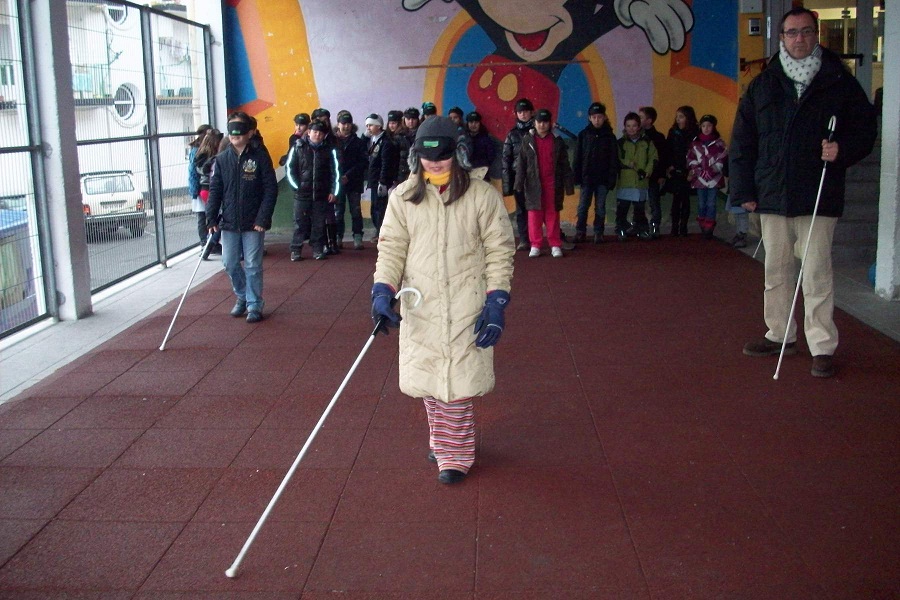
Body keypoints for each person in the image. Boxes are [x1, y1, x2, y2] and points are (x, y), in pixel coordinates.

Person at [730, 6, 877, 378]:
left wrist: (842, 149)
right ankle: (779, 334)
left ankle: (822, 345)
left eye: (806, 31)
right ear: (781, 38)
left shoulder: (839, 82)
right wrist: (743, 188)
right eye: (792, 32)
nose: (799, 38)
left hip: (818, 194)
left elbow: (865, 130)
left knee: (816, 274)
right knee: (776, 271)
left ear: (817, 34)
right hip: (772, 193)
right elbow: (743, 141)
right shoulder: (762, 84)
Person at [371, 115, 515, 484]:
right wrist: (383, 290)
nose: (434, 163)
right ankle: (443, 439)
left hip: (467, 303)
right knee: (431, 381)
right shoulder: (403, 197)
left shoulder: (482, 196)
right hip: (422, 304)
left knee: (456, 384)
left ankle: (455, 453)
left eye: (443, 155)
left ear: (459, 152)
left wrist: (496, 302)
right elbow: (391, 248)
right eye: (427, 156)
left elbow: (500, 250)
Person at [206, 114, 277, 323]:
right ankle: (243, 295)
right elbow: (215, 190)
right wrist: (211, 218)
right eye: (232, 132)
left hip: (253, 222)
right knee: (229, 262)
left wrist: (263, 218)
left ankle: (254, 304)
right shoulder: (221, 159)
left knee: (253, 264)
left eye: (239, 132)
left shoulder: (260, 157)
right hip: (229, 222)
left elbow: (270, 189)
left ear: (249, 133)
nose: (235, 136)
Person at [514, 108, 574, 258]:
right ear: (534, 123)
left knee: (552, 215)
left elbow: (565, 164)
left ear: (550, 123)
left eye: (545, 122)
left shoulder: (557, 141)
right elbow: (521, 164)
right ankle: (535, 245)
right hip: (533, 184)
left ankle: (555, 244)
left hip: (553, 184)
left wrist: (569, 185)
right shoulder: (527, 140)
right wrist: (518, 184)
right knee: (534, 216)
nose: (542, 125)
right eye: (539, 122)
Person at [286, 120, 340, 261]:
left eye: (321, 133)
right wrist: (296, 187)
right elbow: (290, 168)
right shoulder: (298, 147)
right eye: (315, 132)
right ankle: (296, 250)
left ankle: (317, 249)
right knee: (300, 224)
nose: (318, 135)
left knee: (319, 224)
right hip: (301, 195)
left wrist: (333, 191)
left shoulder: (329, 150)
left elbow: (335, 173)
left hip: (321, 194)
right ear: (309, 132)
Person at [572, 101, 618, 244]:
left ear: (604, 117)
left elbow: (613, 160)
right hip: (587, 178)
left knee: (600, 207)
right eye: (594, 117)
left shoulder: (610, 137)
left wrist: (612, 178)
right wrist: (576, 176)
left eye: (599, 117)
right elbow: (577, 157)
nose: (597, 120)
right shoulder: (583, 135)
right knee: (583, 207)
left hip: (603, 179)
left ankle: (598, 232)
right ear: (589, 118)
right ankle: (580, 232)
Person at [615, 112, 658, 241]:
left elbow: (653, 157)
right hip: (625, 181)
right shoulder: (620, 143)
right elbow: (616, 159)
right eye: (628, 126)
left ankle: (642, 229)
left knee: (640, 208)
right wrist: (627, 163)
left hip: (641, 181)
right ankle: (621, 229)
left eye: (634, 125)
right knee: (623, 208)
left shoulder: (647, 142)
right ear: (624, 127)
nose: (631, 129)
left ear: (639, 126)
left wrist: (648, 171)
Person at [687, 113, 727, 239]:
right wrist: (699, 171)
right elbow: (690, 158)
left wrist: (711, 171)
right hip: (700, 180)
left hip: (714, 180)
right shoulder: (695, 143)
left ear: (713, 127)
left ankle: (709, 227)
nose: (706, 128)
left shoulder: (719, 143)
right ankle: (702, 224)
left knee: (711, 203)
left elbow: (722, 159)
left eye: (709, 125)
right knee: (701, 203)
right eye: (703, 126)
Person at [502, 97, 535, 251]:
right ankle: (524, 239)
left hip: (536, 178)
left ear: (531, 112)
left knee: (540, 208)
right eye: (520, 112)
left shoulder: (539, 131)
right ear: (516, 114)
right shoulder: (512, 135)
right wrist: (507, 185)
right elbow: (506, 161)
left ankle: (548, 238)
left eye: (526, 111)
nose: (523, 114)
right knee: (521, 210)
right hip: (518, 178)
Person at [334, 111, 368, 250]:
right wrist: (338, 177)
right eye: (343, 123)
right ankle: (338, 237)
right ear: (338, 124)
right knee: (338, 211)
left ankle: (358, 237)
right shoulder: (332, 141)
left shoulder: (358, 142)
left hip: (354, 181)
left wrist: (348, 176)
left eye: (348, 123)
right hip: (337, 183)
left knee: (356, 211)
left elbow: (363, 162)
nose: (346, 126)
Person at [665, 105, 699, 236]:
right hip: (675, 169)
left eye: (681, 117)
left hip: (688, 170)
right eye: (677, 117)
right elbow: (668, 149)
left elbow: (696, 152)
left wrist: (692, 169)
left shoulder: (694, 133)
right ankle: (674, 226)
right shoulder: (673, 132)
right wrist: (670, 166)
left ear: (688, 118)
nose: (678, 119)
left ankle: (683, 226)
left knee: (685, 198)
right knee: (676, 198)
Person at [365, 113, 398, 242]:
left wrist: (383, 182)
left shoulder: (386, 142)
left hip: (380, 181)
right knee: (374, 208)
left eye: (371, 125)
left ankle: (381, 233)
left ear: (378, 126)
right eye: (367, 125)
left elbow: (385, 163)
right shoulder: (372, 140)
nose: (368, 128)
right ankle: (378, 231)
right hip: (373, 180)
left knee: (380, 209)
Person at [638, 106, 669, 238]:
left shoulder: (658, 137)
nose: (638, 120)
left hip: (654, 176)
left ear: (649, 120)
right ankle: (640, 226)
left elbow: (663, 158)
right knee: (638, 202)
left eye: (641, 117)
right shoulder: (637, 136)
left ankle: (655, 226)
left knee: (654, 202)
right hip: (639, 177)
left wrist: (661, 175)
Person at [194, 128, 223, 260]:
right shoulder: (214, 157)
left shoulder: (199, 154)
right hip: (211, 189)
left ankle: (208, 246)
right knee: (220, 219)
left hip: (204, 189)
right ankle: (209, 246)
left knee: (215, 218)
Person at [188, 124, 212, 247]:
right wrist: (195, 191)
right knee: (203, 216)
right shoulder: (198, 151)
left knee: (203, 215)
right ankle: (205, 242)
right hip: (201, 188)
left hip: (200, 188)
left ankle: (206, 242)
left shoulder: (197, 149)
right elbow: (193, 172)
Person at [466, 111, 496, 181]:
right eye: (471, 122)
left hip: (482, 175)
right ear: (467, 124)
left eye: (476, 122)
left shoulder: (486, 139)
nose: (473, 125)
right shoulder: (463, 138)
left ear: (480, 123)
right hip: (466, 174)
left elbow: (491, 156)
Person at [386, 110, 411, 184]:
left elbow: (402, 158)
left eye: (394, 123)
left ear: (400, 123)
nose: (391, 126)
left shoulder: (401, 138)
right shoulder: (388, 136)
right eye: (390, 123)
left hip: (400, 174)